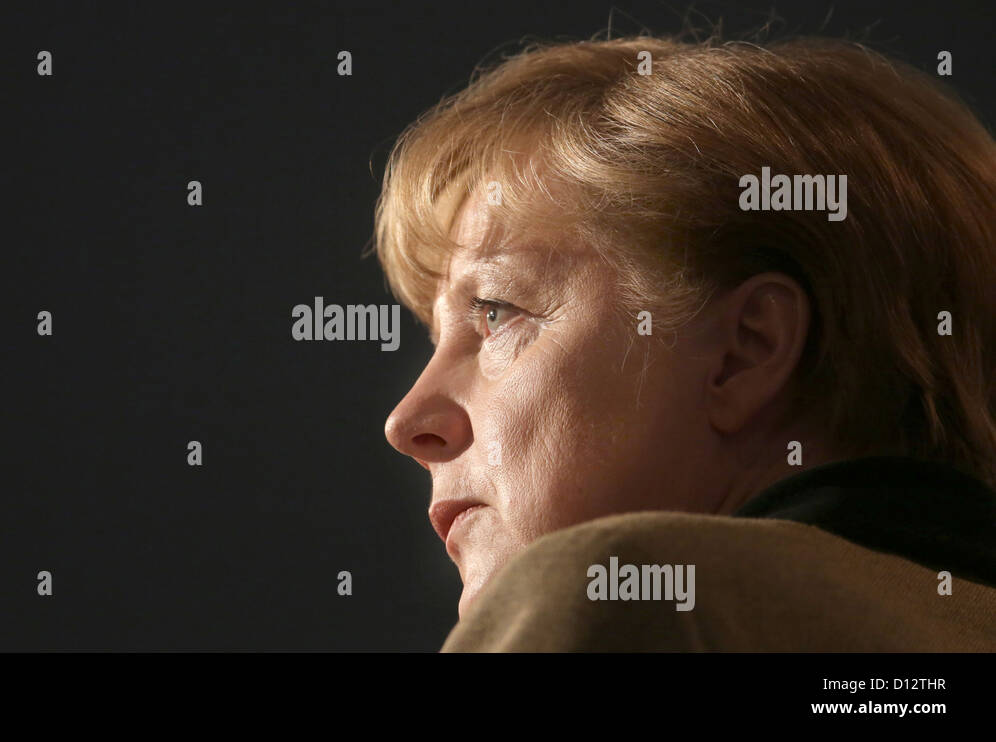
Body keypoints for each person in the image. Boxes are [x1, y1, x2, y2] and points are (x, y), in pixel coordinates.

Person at [373, 35, 996, 650]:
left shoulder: (619, 595)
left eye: (495, 314)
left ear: (744, 351)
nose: (407, 423)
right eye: (436, 340)